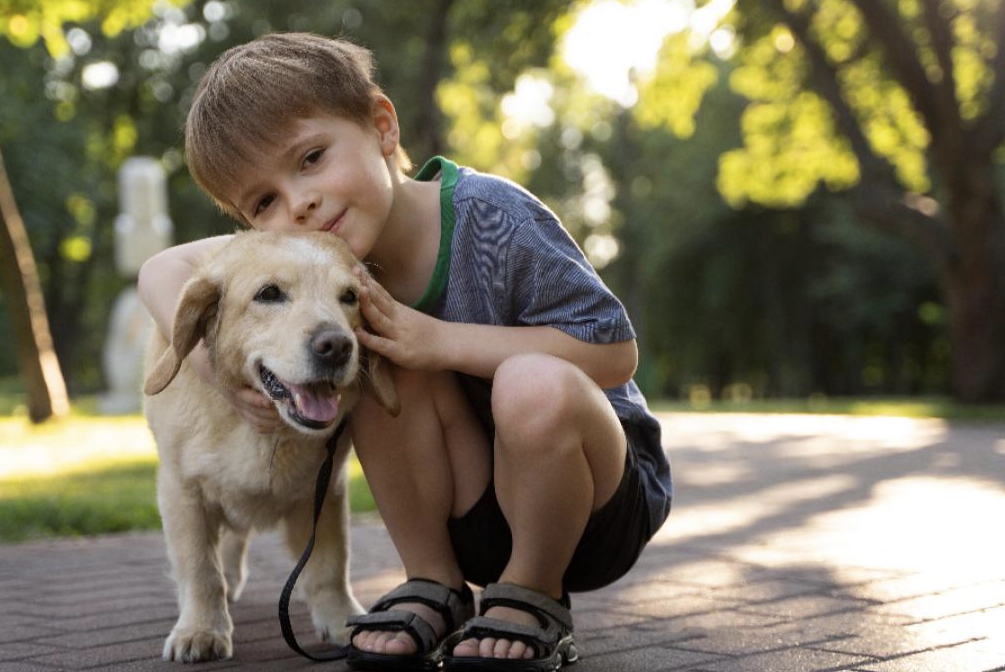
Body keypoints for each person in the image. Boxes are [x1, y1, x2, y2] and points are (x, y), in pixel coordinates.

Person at [138, 32, 672, 672]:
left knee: (530, 383)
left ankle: (532, 594)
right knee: (369, 358)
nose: (298, 203)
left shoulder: (494, 216)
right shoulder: (323, 266)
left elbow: (614, 352)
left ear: (382, 126)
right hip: (474, 510)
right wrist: (219, 375)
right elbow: (163, 268)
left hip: (596, 506)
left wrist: (440, 340)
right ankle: (435, 583)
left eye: (310, 159)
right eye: (264, 202)